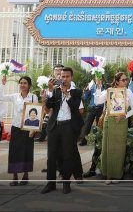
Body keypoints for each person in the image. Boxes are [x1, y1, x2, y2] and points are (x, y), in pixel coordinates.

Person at [41, 67, 84, 195]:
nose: (64, 79)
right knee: (51, 156)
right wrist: (48, 92)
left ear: (71, 78)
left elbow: (76, 107)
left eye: (67, 77)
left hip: (68, 127)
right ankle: (50, 183)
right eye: (62, 76)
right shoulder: (55, 91)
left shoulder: (76, 92)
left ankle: (66, 183)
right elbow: (48, 107)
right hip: (54, 126)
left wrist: (67, 94)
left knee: (67, 155)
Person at [94, 72, 133, 184]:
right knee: (107, 148)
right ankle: (108, 175)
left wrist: (124, 116)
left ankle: (117, 175)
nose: (125, 82)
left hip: (121, 122)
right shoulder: (109, 90)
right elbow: (97, 101)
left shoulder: (128, 92)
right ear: (117, 81)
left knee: (119, 149)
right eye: (123, 80)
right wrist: (98, 87)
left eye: (126, 79)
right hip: (109, 121)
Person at [0, 75, 38, 185]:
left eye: (25, 83)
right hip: (16, 127)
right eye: (21, 83)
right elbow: (0, 97)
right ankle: (14, 176)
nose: (22, 85)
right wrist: (3, 84)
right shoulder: (15, 96)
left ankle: (25, 175)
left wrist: (33, 130)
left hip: (28, 128)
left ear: (29, 85)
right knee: (14, 152)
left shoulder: (33, 97)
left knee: (27, 151)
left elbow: (37, 112)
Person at [79, 77, 105, 146]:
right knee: (87, 124)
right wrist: (86, 90)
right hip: (92, 108)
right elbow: (85, 97)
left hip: (101, 108)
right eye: (96, 79)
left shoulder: (105, 88)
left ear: (102, 79)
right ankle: (83, 140)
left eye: (99, 79)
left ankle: (98, 141)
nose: (98, 80)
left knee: (99, 124)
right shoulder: (92, 86)